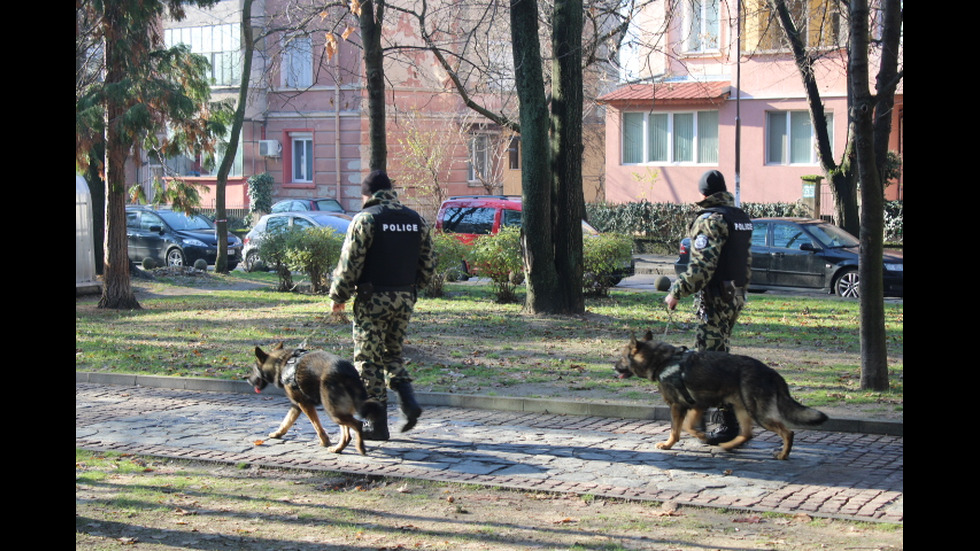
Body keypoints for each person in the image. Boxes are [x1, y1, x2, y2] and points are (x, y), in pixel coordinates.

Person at [329, 170, 436, 440]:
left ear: (367, 194)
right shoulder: (415, 220)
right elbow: (428, 266)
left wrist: (338, 297)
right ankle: (408, 402)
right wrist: (410, 290)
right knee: (392, 355)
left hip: (371, 300)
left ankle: (374, 425)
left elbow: (350, 263)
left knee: (368, 361)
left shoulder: (365, 219)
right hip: (404, 298)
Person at [664, 169, 752, 443]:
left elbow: (702, 267)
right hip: (735, 295)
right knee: (717, 356)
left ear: (703, 193)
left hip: (716, 298)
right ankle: (704, 419)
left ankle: (726, 423)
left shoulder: (710, 220)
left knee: (711, 363)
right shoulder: (739, 217)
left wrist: (676, 291)